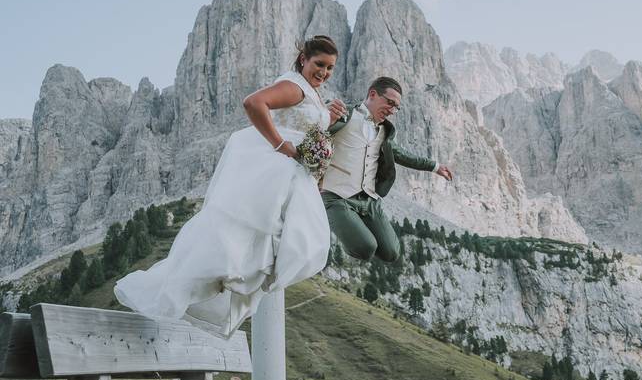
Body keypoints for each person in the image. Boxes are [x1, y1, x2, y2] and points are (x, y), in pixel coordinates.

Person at [115, 36, 348, 337]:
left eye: (330, 68)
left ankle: (220, 289)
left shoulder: (311, 92)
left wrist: (328, 116)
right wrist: (279, 144)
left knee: (270, 243)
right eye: (319, 64)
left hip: (294, 176)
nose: (324, 72)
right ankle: (189, 290)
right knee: (253, 239)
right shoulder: (294, 86)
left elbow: (302, 123)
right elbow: (254, 103)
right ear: (303, 58)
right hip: (276, 169)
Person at [321, 76, 453, 263]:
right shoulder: (344, 113)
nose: (392, 111)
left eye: (396, 107)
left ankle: (355, 230)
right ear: (373, 94)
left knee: (391, 253)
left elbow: (403, 155)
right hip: (336, 196)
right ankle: (339, 231)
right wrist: (324, 116)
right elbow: (314, 129)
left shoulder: (384, 132)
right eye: (389, 103)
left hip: (368, 200)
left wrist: (435, 167)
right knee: (366, 248)